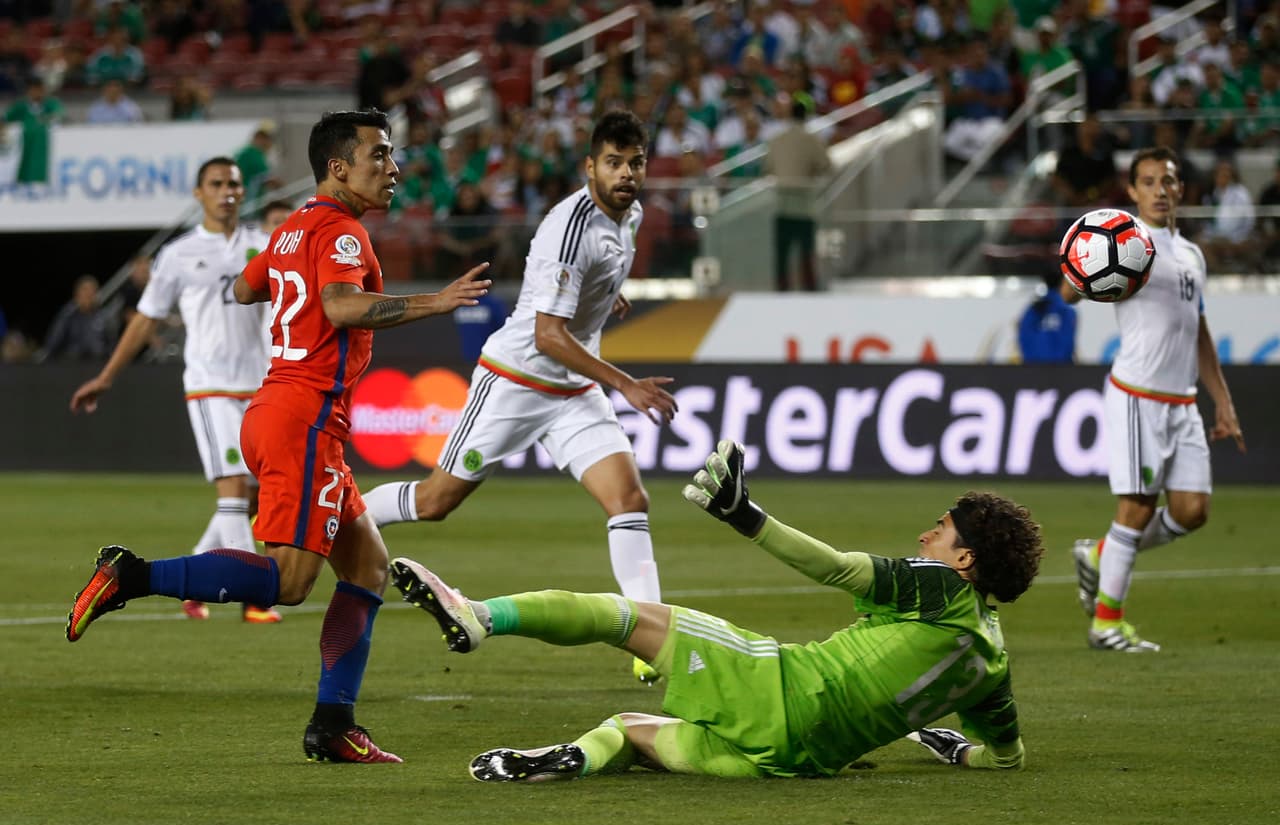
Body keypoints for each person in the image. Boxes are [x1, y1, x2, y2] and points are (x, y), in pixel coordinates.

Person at [65, 109, 492, 764]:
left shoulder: (294, 227)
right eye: (378, 155)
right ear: (338, 168)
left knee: (369, 564)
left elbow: (241, 287)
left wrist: (284, 274)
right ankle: (132, 574)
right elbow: (342, 305)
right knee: (291, 582)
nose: (394, 168)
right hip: (304, 419)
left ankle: (332, 724)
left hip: (278, 408)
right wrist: (434, 301)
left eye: (392, 154)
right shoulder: (343, 232)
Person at [388, 439, 1043, 782]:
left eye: (942, 529)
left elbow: (838, 566)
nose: (927, 535)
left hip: (777, 688)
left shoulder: (944, 588)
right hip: (798, 761)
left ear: (966, 561)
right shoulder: (994, 664)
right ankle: (572, 760)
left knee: (621, 614)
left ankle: (478, 615)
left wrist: (747, 516)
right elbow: (1005, 759)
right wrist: (956, 747)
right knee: (627, 727)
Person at [363, 110, 678, 686]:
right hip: (516, 379)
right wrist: (625, 383)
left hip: (573, 390)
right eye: (613, 162)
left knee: (629, 501)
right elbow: (546, 334)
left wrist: (608, 296)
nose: (626, 173)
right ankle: (342, 517)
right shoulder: (572, 225)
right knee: (435, 502)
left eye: (635, 162)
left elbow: (583, 288)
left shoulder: (628, 214)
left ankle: (653, 638)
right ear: (590, 166)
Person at [70, 157, 283, 625]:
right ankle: (254, 599)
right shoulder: (179, 254)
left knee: (250, 497)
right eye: (217, 183)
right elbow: (146, 319)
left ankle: (198, 575)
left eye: (234, 184)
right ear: (198, 194)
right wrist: (107, 376)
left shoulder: (262, 246)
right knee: (232, 491)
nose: (227, 191)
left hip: (263, 385)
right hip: (211, 386)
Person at [1064, 146, 1246, 653]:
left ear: (1181, 188)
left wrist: (1223, 402)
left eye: (1168, 180)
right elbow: (1069, 289)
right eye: (1148, 182)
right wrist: (1080, 272)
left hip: (1183, 400)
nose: (1160, 190)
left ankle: (1100, 552)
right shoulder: (1124, 241)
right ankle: (1106, 623)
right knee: (1139, 506)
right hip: (1137, 395)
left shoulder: (1191, 254)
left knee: (1192, 511)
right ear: (1133, 191)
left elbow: (1199, 329)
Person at [764, 92, 831, 291]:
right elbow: (825, 164)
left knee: (782, 254)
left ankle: (781, 290)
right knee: (805, 252)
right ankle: (808, 290)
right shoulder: (812, 139)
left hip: (782, 203)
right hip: (804, 205)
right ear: (806, 116)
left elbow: (768, 167)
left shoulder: (776, 139)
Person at [36, 275, 116, 362]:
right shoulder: (68, 315)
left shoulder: (105, 316)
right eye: (85, 290)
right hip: (72, 364)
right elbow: (53, 342)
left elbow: (112, 344)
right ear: (77, 294)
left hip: (98, 363)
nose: (88, 294)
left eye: (92, 291)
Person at [1018, 274, 1077, 364]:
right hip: (1061, 368)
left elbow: (1024, 335)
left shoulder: (1033, 309)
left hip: (1033, 367)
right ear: (1061, 283)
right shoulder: (1066, 310)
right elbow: (1068, 340)